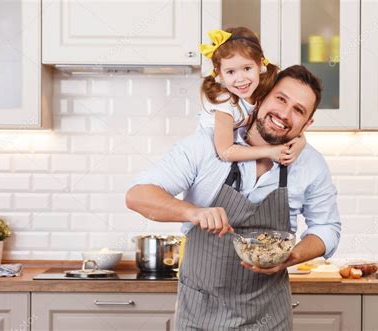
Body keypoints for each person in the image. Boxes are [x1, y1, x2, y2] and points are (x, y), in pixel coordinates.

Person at [126, 65, 341, 330]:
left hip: (268, 319)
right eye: (281, 99)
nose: (285, 114)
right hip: (199, 318)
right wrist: (194, 212)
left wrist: (291, 256)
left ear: (307, 123)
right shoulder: (205, 145)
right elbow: (138, 195)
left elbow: (327, 228)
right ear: (260, 97)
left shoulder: (311, 164)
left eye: (298, 110)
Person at [198, 27, 305, 166]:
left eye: (247, 68)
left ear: (260, 65)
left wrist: (301, 142)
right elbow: (225, 152)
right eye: (230, 72)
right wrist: (269, 151)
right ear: (220, 74)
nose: (240, 79)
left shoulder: (260, 92)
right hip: (208, 160)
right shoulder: (224, 102)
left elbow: (284, 120)